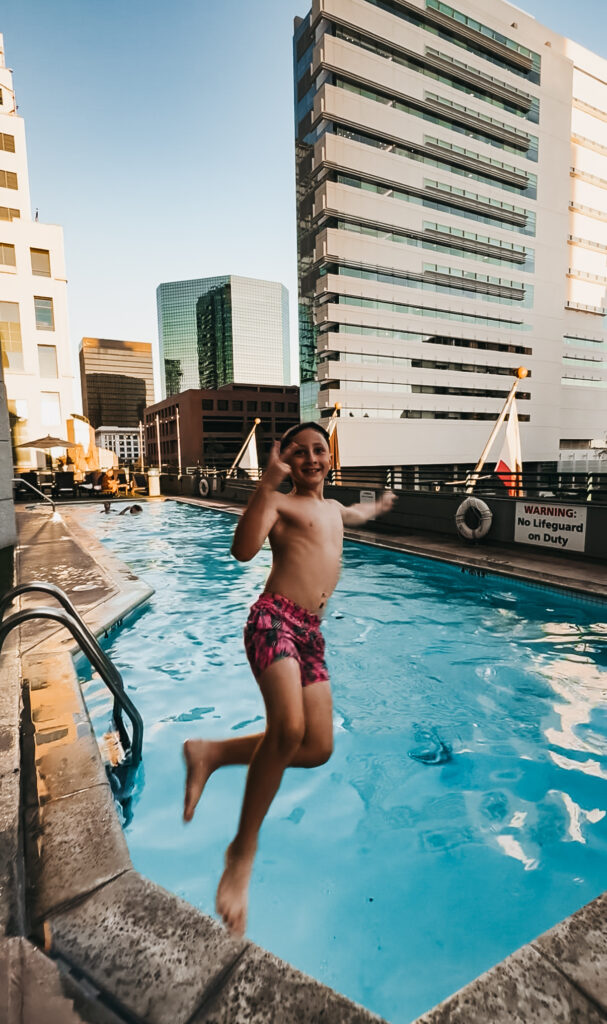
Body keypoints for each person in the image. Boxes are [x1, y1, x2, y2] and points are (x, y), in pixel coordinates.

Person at [183, 422, 396, 936]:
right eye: (297, 451)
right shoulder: (280, 505)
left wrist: (380, 505)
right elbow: (242, 549)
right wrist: (264, 487)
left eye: (318, 449)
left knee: (317, 745)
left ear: (330, 457)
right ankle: (241, 854)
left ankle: (209, 753)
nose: (310, 457)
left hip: (311, 634)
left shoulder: (333, 508)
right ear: (285, 460)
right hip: (273, 620)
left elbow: (354, 514)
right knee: (288, 732)